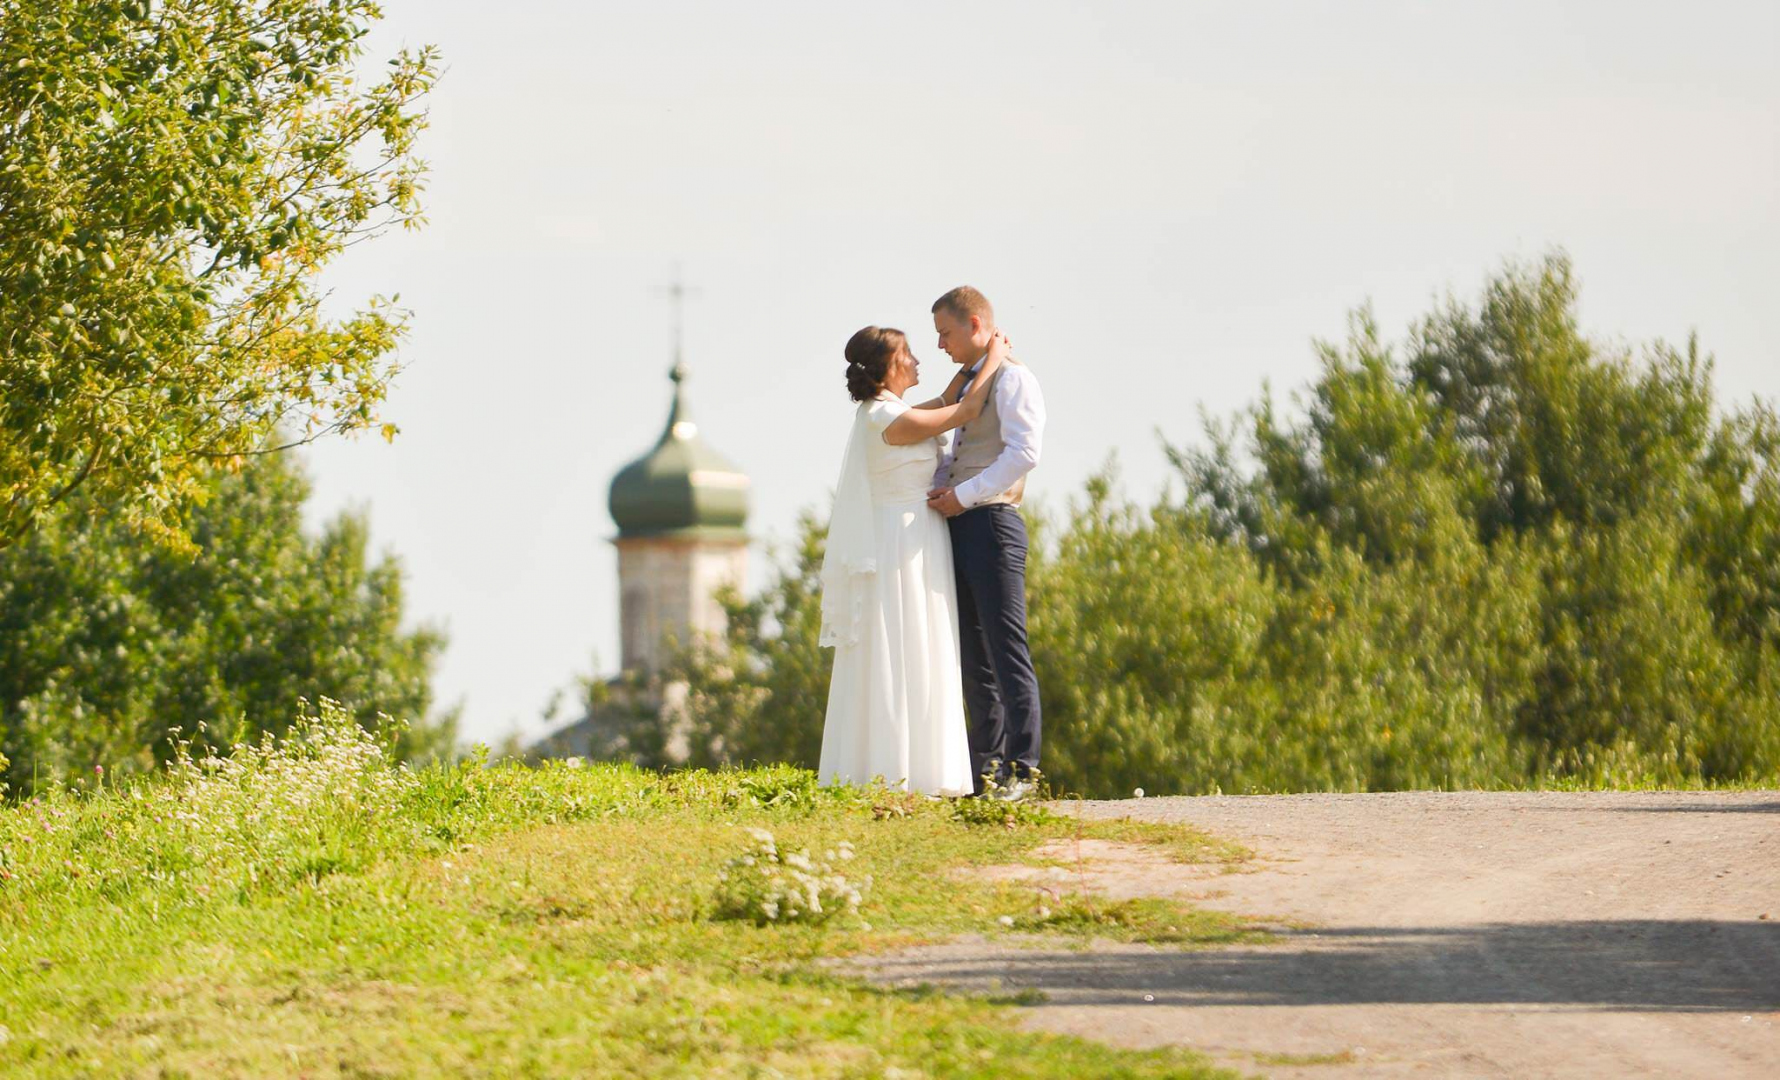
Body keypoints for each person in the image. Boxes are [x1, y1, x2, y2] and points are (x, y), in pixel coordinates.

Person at [816, 324, 1010, 796]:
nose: (920, 360)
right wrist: (998, 358)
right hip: (898, 541)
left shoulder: (890, 411)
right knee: (900, 643)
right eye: (910, 354)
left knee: (918, 641)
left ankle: (916, 766)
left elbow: (947, 397)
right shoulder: (886, 419)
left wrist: (974, 363)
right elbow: (964, 409)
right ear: (890, 365)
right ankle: (896, 769)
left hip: (916, 535)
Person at [926, 286, 1046, 801]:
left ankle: (1022, 770)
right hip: (961, 524)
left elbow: (1024, 454)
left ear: (976, 325)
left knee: (1006, 649)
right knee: (974, 657)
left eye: (945, 334)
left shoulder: (1014, 377)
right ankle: (986, 772)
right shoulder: (973, 381)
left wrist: (964, 496)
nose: (940, 346)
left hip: (993, 523)